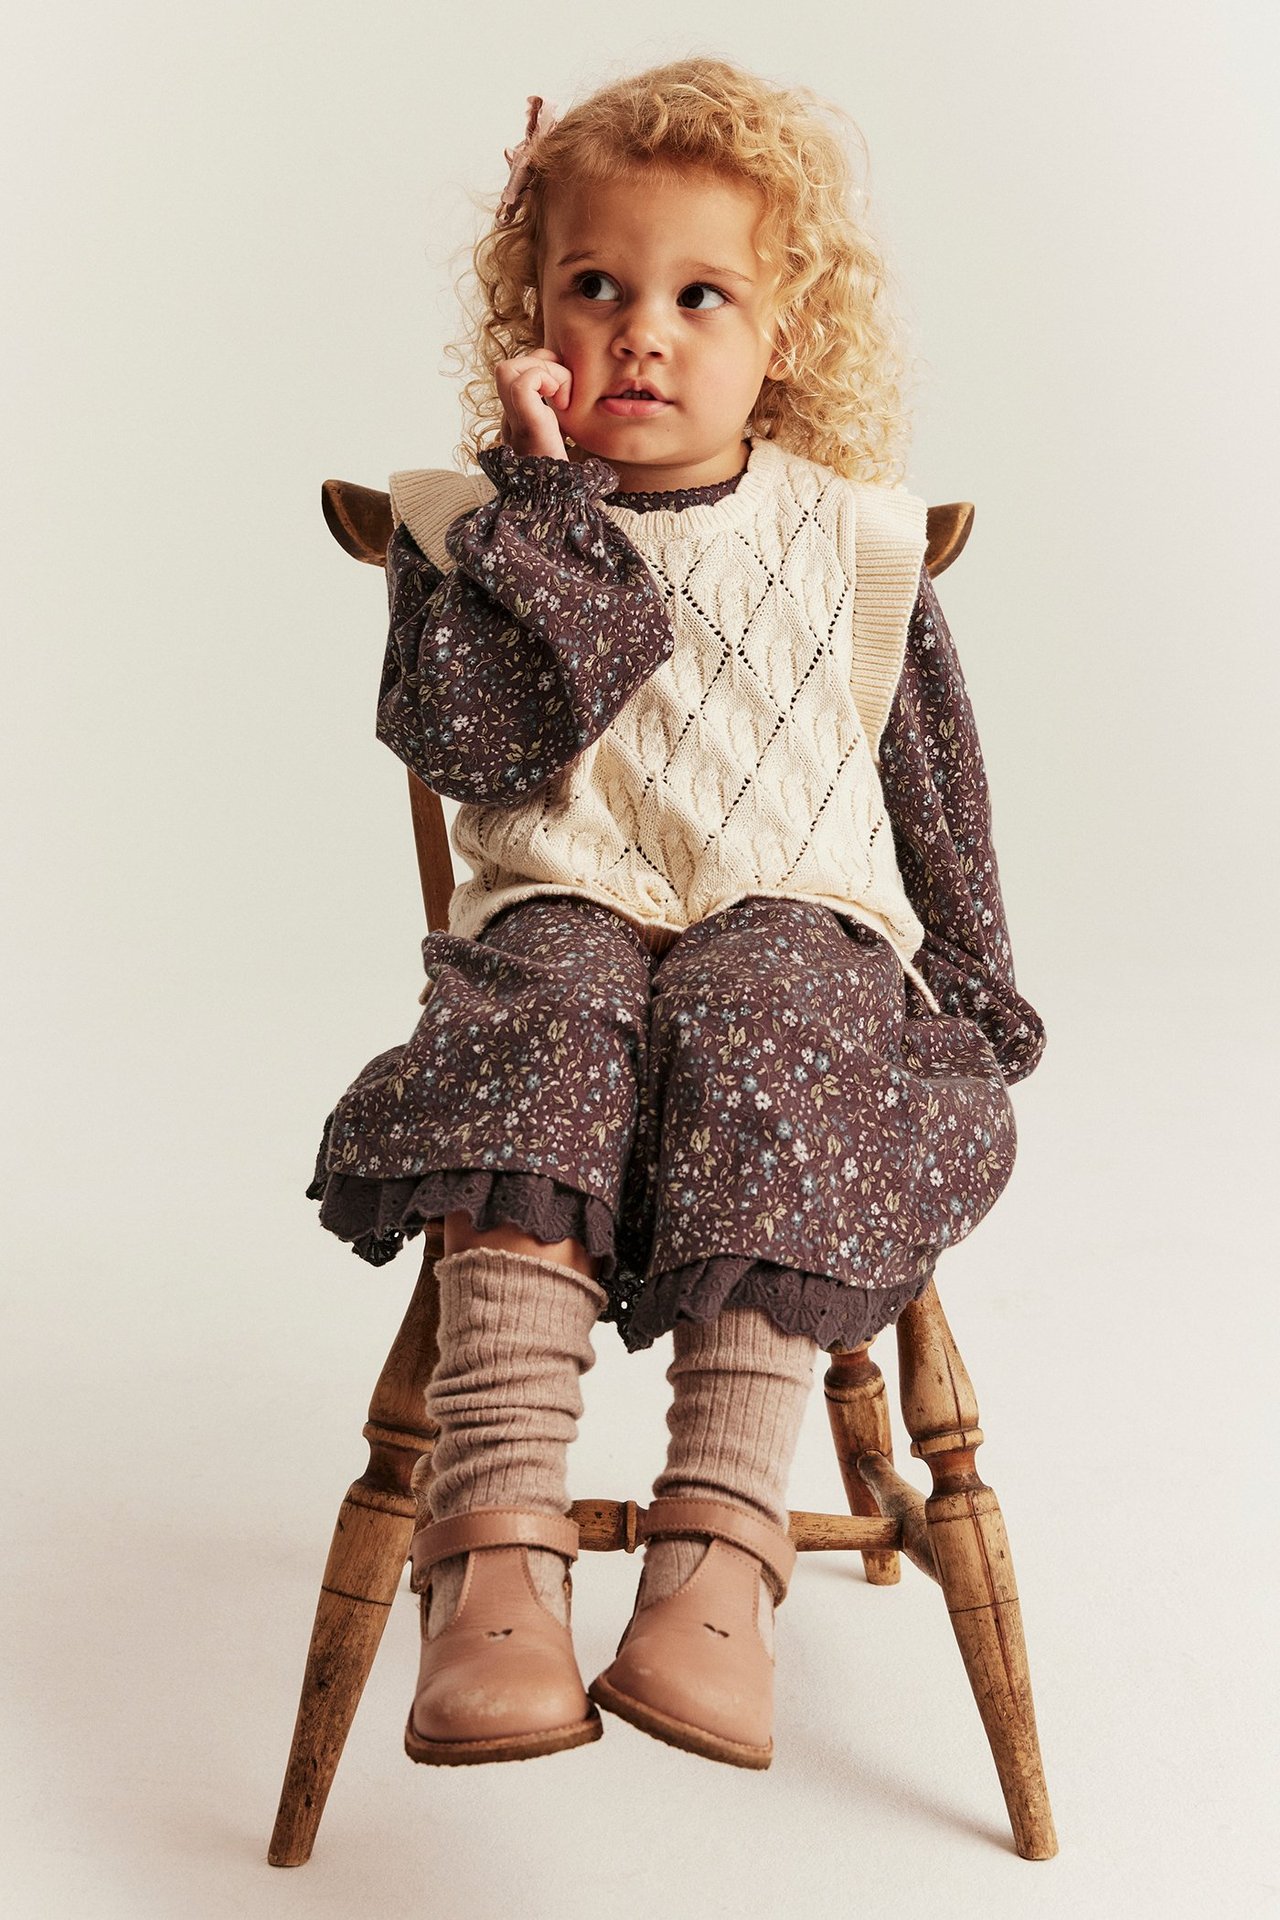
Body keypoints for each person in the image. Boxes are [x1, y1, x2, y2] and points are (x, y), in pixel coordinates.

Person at [305, 57, 1047, 1772]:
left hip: (790, 914)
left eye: (698, 295)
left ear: (782, 330)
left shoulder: (848, 538)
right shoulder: (477, 533)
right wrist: (548, 522)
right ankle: (493, 1549)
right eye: (596, 288)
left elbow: (932, 781)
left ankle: (720, 1553)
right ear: (534, 309)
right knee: (548, 1015)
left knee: (768, 1012)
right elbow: (480, 745)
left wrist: (982, 981)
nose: (642, 331)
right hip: (563, 901)